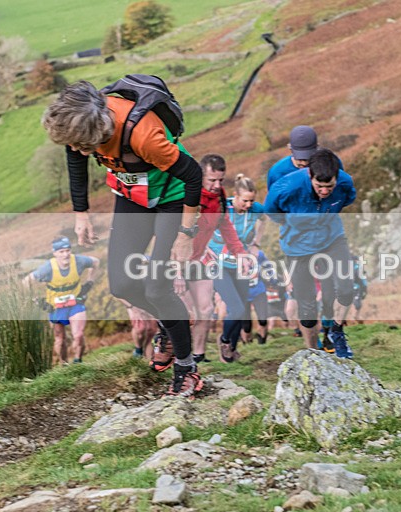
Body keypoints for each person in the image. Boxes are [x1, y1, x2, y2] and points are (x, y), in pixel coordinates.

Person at [42, 80, 205, 398]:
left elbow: (193, 175)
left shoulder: (144, 135)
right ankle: (172, 324)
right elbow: (73, 155)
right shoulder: (83, 122)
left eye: (81, 145)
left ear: (98, 133)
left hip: (172, 198)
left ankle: (187, 369)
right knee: (122, 285)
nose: (76, 150)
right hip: (133, 197)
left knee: (158, 286)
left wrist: (185, 235)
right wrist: (81, 214)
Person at [264, 148, 357, 358]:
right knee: (305, 302)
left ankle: (336, 332)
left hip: (332, 238)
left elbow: (347, 199)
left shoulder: (345, 182)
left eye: (329, 186)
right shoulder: (287, 186)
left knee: (345, 289)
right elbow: (271, 211)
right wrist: (294, 223)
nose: (324, 191)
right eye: (319, 186)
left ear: (337, 178)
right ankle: (312, 351)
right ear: (309, 175)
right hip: (298, 245)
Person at [183, 154, 247, 364]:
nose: (217, 185)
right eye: (212, 180)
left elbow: (226, 225)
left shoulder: (219, 197)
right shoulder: (188, 194)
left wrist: (240, 252)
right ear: (200, 176)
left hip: (200, 258)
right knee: (182, 313)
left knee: (207, 309)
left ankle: (198, 357)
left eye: (221, 180)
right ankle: (174, 355)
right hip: (176, 258)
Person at [206, 174, 264, 362]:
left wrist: (256, 243)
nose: (248, 205)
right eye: (245, 200)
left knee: (242, 309)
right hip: (219, 265)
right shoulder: (224, 207)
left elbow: (265, 217)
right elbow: (201, 222)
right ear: (235, 196)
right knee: (236, 308)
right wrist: (204, 247)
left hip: (241, 265)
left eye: (251, 200)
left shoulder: (255, 210)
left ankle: (232, 347)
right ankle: (223, 341)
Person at [24, 235, 99, 365]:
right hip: (56, 306)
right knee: (60, 339)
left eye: (68, 250)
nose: (65, 255)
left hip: (76, 302)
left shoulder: (79, 261)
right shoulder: (48, 268)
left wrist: (90, 282)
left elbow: (96, 262)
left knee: (79, 335)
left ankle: (78, 362)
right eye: (61, 252)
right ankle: (64, 365)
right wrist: (35, 300)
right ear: (55, 253)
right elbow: (26, 281)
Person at [266, 126, 344, 192]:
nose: (304, 163)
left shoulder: (331, 163)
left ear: (317, 147)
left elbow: (341, 187)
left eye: (308, 158)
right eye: (300, 158)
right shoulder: (277, 172)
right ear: (290, 148)